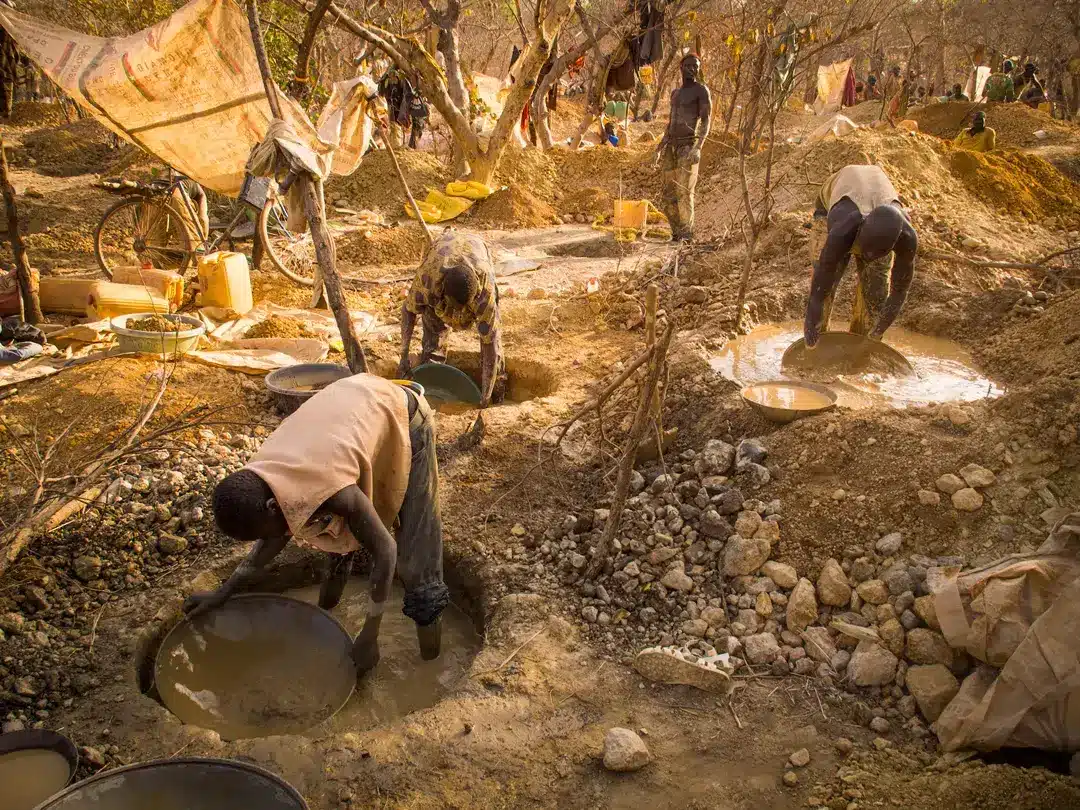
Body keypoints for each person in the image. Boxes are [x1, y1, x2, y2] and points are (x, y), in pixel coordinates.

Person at [184, 374, 448, 675]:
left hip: (402, 414)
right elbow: (273, 535)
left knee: (417, 560)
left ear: (272, 506)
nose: (281, 536)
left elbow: (385, 550)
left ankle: (432, 661)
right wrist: (224, 592)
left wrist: (370, 633)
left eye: (271, 530)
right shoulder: (262, 478)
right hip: (349, 413)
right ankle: (328, 615)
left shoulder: (331, 487)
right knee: (334, 532)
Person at [803, 165, 918, 348]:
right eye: (865, 250)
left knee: (875, 295)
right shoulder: (842, 224)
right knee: (826, 288)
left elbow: (900, 290)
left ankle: (861, 348)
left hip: (876, 228)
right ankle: (818, 344)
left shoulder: (906, 237)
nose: (867, 257)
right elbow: (822, 280)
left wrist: (877, 332)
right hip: (837, 206)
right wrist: (810, 331)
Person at [398, 230, 507, 408]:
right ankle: (432, 387)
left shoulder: (484, 293)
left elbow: (491, 344)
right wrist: (403, 357)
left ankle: (498, 393)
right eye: (456, 308)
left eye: (465, 309)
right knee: (433, 339)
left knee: (495, 352)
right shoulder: (429, 279)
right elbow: (409, 311)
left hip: (476, 251)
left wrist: (486, 396)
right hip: (442, 255)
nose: (458, 316)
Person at [656, 53, 712, 242]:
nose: (692, 69)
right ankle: (677, 233)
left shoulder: (701, 91)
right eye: (688, 65)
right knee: (667, 194)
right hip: (671, 147)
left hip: (688, 146)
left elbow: (706, 121)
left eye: (696, 66)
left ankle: (687, 236)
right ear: (681, 68)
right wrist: (660, 146)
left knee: (684, 192)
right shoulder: (675, 93)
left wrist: (698, 147)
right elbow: (671, 122)